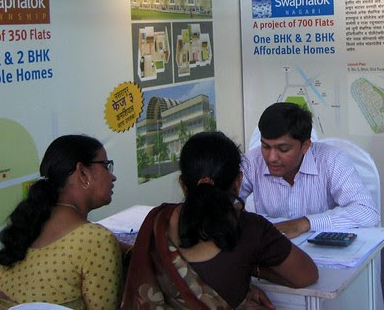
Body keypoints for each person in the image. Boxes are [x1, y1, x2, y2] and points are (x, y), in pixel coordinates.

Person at [120, 131, 318, 310]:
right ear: (238, 182)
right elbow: (306, 275)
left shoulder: (157, 220)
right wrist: (249, 270)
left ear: (183, 185)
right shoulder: (250, 228)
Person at [0, 134, 122, 310]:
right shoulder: (97, 240)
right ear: (82, 172)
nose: (112, 177)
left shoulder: (33, 221)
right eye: (106, 166)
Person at [240, 102, 380, 239]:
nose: (271, 158)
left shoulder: (331, 159)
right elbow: (229, 200)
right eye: (265, 146)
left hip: (322, 250)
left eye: (283, 149)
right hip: (272, 248)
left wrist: (304, 223)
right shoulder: (253, 161)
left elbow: (367, 212)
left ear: (305, 146)